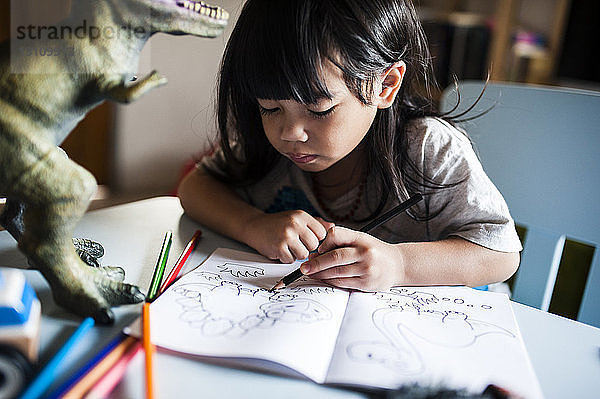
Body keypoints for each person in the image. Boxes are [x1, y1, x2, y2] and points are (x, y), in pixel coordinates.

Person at [178, 0, 521, 292]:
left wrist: (400, 264)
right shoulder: (268, 147)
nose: (290, 132)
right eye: (270, 107)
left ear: (385, 85)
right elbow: (195, 186)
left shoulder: (428, 149)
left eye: (319, 109)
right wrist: (251, 225)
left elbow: (501, 255)